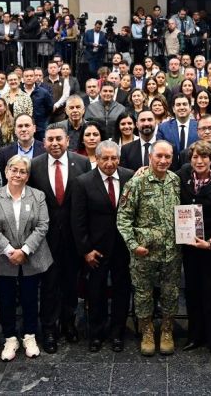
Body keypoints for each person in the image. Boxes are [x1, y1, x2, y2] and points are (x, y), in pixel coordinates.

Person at [26, 125, 91, 352]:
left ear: (68, 141)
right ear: (44, 143)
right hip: (45, 238)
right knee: (49, 285)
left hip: (73, 238)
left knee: (71, 283)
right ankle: (49, 329)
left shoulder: (81, 163)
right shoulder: (34, 166)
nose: (55, 143)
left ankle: (68, 323)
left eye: (59, 139)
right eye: (50, 139)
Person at [117, 140, 182, 357]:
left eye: (168, 157)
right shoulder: (137, 183)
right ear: (150, 157)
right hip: (143, 253)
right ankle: (146, 331)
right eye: (159, 156)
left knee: (170, 293)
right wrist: (133, 246)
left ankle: (166, 331)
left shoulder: (175, 181)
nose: (163, 160)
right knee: (143, 294)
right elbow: (123, 217)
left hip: (171, 252)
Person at [0, 155, 52, 361]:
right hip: (3, 258)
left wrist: (24, 250)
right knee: (5, 299)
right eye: (14, 170)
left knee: (30, 298)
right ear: (6, 171)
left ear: (28, 175)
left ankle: (29, 336)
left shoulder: (37, 195)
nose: (18, 174)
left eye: (23, 171)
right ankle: (10, 338)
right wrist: (8, 251)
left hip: (32, 257)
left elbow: (43, 225)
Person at [71, 141, 134, 353]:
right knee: (95, 292)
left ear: (119, 158)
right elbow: (77, 220)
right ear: (96, 159)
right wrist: (85, 250)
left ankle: (117, 333)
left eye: (113, 158)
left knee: (122, 291)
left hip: (124, 247)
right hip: (95, 249)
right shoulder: (83, 182)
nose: (109, 163)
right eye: (104, 158)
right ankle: (96, 334)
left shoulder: (130, 177)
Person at [175, 140, 211, 359]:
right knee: (192, 292)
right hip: (189, 247)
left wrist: (210, 242)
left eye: (204, 157)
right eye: (195, 158)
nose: (199, 161)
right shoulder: (182, 176)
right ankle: (195, 336)